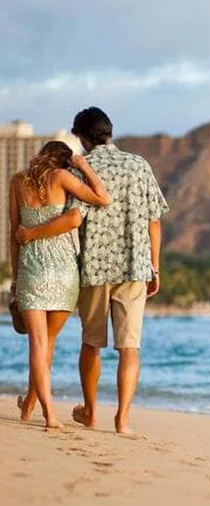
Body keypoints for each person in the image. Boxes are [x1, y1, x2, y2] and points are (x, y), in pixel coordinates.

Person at [17, 107, 169, 434]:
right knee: (130, 347)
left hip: (93, 268)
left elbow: (72, 218)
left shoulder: (81, 168)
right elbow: (154, 220)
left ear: (82, 137)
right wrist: (155, 267)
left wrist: (29, 234)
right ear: (108, 132)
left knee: (91, 343)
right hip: (134, 266)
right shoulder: (139, 164)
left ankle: (90, 412)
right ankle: (122, 420)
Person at [9, 140, 112, 429]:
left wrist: (16, 278)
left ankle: (45, 412)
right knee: (49, 344)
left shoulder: (17, 182)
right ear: (64, 162)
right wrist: (83, 166)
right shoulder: (62, 177)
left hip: (32, 270)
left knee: (38, 345)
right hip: (64, 272)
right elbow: (103, 198)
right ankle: (35, 407)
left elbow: (14, 234)